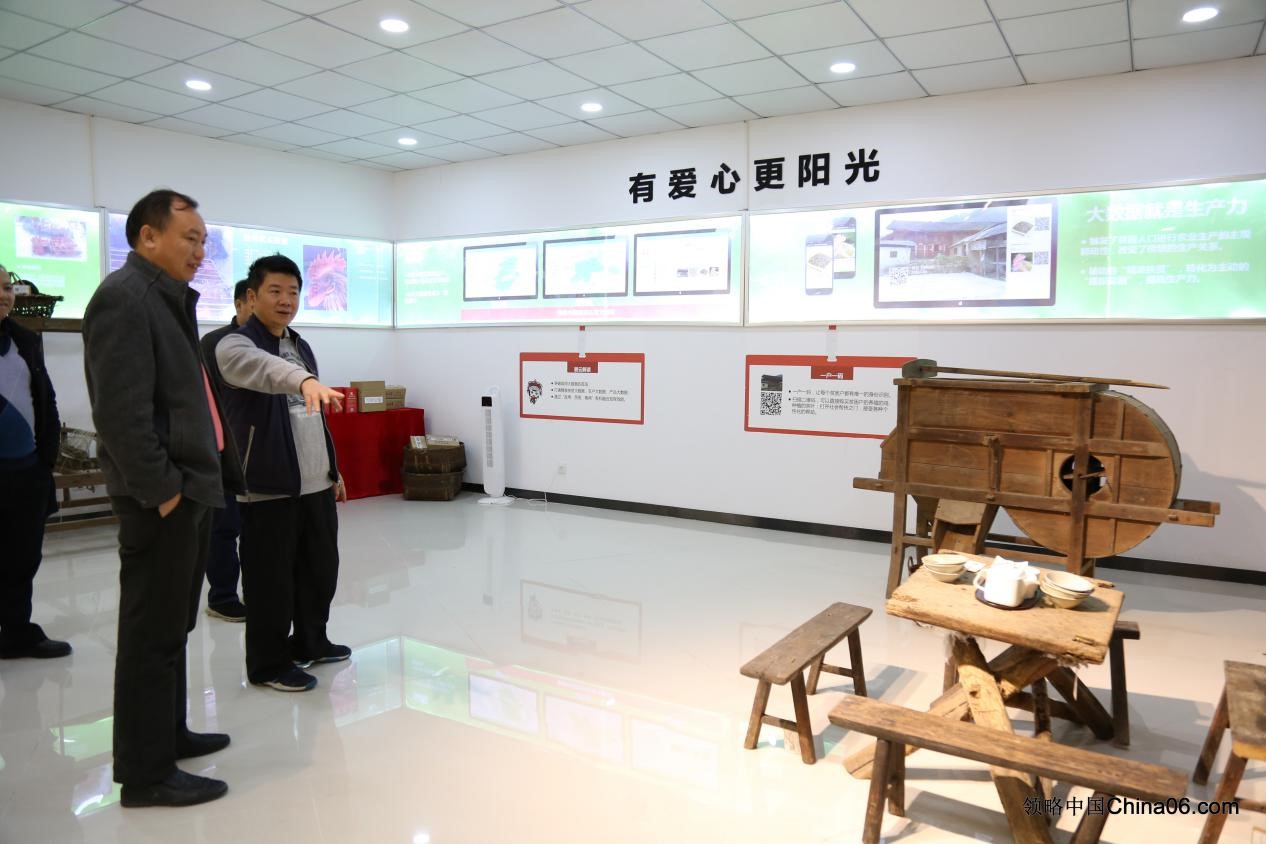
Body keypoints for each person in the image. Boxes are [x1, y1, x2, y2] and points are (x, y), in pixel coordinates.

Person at [82, 189, 242, 808]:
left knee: (173, 625)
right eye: (189, 238)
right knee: (151, 633)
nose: (200, 251)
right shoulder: (124, 299)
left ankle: (169, 734)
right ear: (148, 237)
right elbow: (120, 415)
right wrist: (164, 493)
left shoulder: (169, 298)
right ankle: (145, 774)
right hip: (163, 498)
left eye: (204, 240)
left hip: (190, 488)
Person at [217, 253, 349, 693]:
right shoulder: (234, 346)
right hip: (267, 485)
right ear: (252, 296)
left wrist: (332, 470)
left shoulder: (299, 344)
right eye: (274, 291)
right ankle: (268, 664)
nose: (285, 300)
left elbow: (314, 417)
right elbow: (269, 372)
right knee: (269, 581)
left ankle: (311, 640)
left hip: (315, 482)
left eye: (293, 292)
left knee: (320, 570)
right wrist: (303, 380)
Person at [0, 263, 71, 660]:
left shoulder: (25, 340)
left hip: (27, 472)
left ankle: (17, 632)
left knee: (23, 556)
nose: (3, 295)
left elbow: (45, 398)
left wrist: (46, 460)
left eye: (7, 287)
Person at [199, 280, 250, 622]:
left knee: (258, 530)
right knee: (224, 528)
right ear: (239, 303)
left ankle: (257, 590)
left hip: (263, 454)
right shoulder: (213, 343)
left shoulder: (275, 343)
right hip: (225, 450)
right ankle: (222, 596)